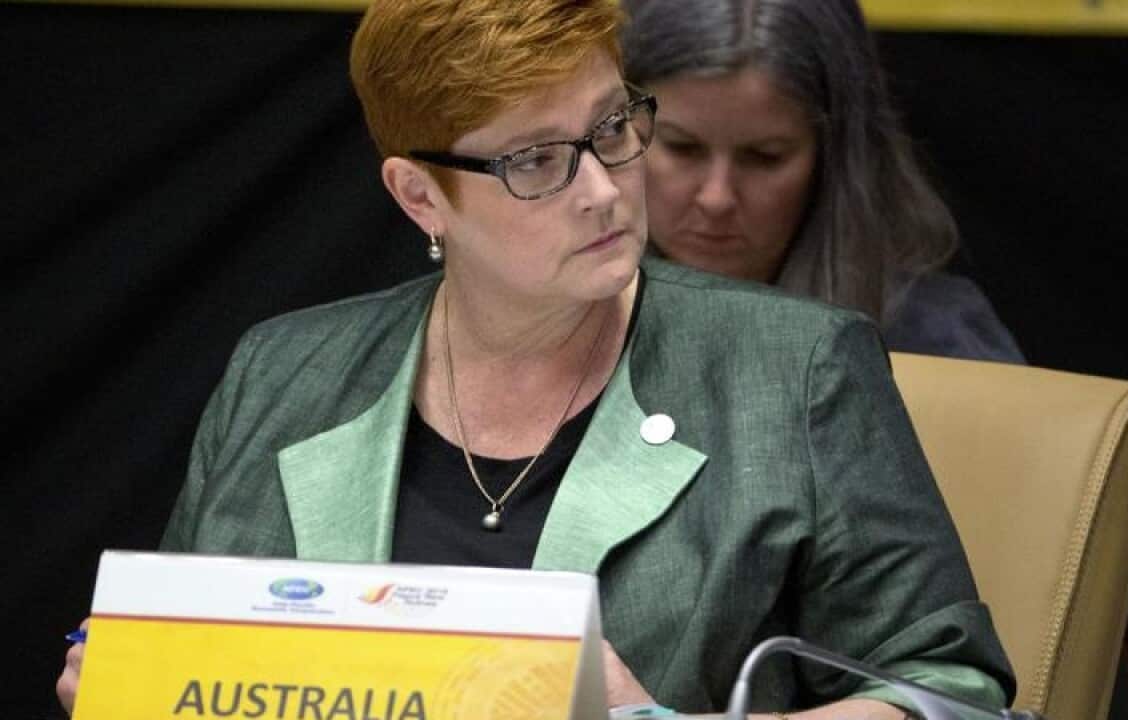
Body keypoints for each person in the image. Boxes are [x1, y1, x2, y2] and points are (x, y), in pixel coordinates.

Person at [57, 0, 1014, 717]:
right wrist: (124, 675)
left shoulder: (796, 368)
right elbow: (188, 651)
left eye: (610, 129)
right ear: (420, 197)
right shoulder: (284, 373)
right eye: (534, 162)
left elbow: (948, 693)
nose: (602, 189)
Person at [621, 0, 1025, 364]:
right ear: (616, 129)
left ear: (835, 158)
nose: (716, 197)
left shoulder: (935, 342)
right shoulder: (568, 317)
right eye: (682, 148)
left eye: (765, 157)